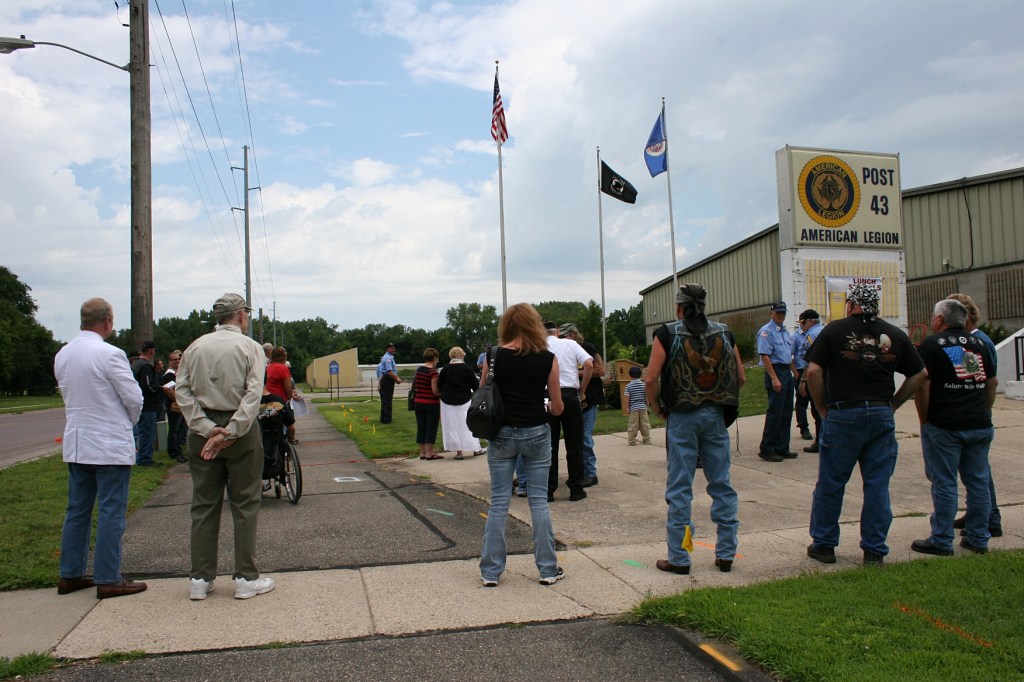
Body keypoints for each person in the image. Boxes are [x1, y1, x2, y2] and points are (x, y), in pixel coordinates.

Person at [804, 284, 927, 566]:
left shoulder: (833, 331)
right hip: (881, 414)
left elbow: (812, 371)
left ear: (850, 304)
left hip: (843, 413)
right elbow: (919, 374)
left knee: (832, 483)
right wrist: (894, 404)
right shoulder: (894, 334)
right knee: (877, 485)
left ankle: (824, 545)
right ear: (876, 305)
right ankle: (874, 549)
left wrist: (822, 407)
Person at [175, 293, 274, 601]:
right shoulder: (250, 347)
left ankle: (200, 578)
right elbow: (253, 392)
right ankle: (246, 577)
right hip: (240, 429)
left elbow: (183, 391)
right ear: (242, 316)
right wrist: (231, 430)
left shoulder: (195, 347)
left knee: (204, 503)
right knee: (245, 502)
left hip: (203, 428)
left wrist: (207, 429)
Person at [645, 283, 745, 575]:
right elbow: (739, 376)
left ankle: (680, 556)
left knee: (680, 488)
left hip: (682, 416)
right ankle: (726, 553)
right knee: (721, 484)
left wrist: (658, 408)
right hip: (715, 414)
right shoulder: (724, 332)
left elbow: (650, 379)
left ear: (679, 307)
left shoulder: (667, 333)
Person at [54, 298, 148, 599]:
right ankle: (108, 577)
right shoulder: (110, 354)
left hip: (78, 441)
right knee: (111, 511)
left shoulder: (63, 354)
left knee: (77, 510)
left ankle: (71, 573)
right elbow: (134, 398)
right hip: (108, 443)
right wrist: (127, 425)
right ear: (107, 321)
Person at [479, 303, 565, 587]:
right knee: (538, 502)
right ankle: (548, 569)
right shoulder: (547, 358)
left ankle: (491, 572)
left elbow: (483, 393)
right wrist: (552, 406)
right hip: (537, 432)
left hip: (502, 433)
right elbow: (557, 407)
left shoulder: (493, 356)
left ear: (506, 326)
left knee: (499, 502)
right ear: (534, 324)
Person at [911, 299, 998, 557]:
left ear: (940, 319)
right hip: (979, 424)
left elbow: (923, 383)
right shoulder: (980, 344)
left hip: (945, 425)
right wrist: (984, 409)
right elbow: (991, 382)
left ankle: (941, 540)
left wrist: (924, 419)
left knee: (945, 483)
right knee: (978, 484)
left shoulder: (932, 344)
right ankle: (979, 538)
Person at [946, 293, 1002, 537]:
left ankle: (990, 518)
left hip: (973, 416)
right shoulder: (973, 341)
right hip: (975, 414)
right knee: (976, 472)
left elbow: (974, 376)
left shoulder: (977, 342)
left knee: (979, 473)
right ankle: (978, 514)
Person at [545, 322, 593, 502]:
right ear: (557, 332)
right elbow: (589, 364)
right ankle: (576, 488)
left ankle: (549, 489)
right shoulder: (571, 344)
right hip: (570, 394)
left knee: (549, 445)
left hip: (548, 396)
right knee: (575, 444)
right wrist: (582, 390)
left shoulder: (540, 346)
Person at [560, 324, 604, 487]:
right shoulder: (563, 350)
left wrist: (577, 372)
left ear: (573, 334)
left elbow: (601, 370)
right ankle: (581, 471)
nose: (563, 339)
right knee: (575, 438)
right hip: (572, 399)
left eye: (565, 336)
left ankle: (590, 473)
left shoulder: (588, 349)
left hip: (589, 398)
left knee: (584, 436)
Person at [756, 302, 795, 462]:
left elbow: (789, 354)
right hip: (776, 371)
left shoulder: (784, 331)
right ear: (771, 313)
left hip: (786, 371)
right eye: (778, 313)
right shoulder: (766, 331)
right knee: (775, 412)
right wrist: (774, 378)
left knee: (786, 412)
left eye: (783, 313)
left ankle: (782, 447)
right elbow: (765, 356)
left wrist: (795, 373)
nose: (781, 316)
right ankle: (767, 448)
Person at [438, 346, 483, 459]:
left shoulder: (445, 369)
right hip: (464, 399)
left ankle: (459, 452)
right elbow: (475, 385)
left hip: (447, 401)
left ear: (450, 356)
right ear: (462, 356)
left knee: (452, 426)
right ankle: (476, 448)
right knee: (467, 424)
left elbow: (439, 385)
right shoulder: (467, 368)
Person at [792, 309, 825, 454]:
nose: (801, 326)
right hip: (827, 376)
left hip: (815, 376)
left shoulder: (812, 335)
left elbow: (809, 359)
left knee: (817, 410)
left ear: (811, 322)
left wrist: (803, 380)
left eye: (803, 323)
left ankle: (819, 442)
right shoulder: (825, 331)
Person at [131, 340, 161, 467]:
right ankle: (144, 459)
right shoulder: (146, 366)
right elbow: (148, 385)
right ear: (151, 350)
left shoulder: (136, 364)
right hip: (148, 404)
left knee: (143, 431)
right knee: (147, 432)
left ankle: (144, 457)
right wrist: (159, 389)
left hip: (139, 402)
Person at [414, 348, 443, 460]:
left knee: (421, 427)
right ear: (435, 358)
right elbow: (434, 390)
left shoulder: (419, 370)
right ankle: (429, 453)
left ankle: (422, 452)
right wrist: (441, 394)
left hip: (418, 402)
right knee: (431, 427)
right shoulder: (433, 372)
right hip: (430, 403)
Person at [160, 350, 188, 463]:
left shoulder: (177, 373)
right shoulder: (169, 375)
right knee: (174, 429)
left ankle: (177, 450)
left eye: (178, 359)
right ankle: (174, 452)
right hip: (173, 404)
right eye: (174, 359)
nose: (177, 361)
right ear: (169, 362)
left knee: (178, 429)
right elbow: (167, 390)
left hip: (178, 403)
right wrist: (178, 400)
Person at [266, 346, 298, 444]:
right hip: (279, 403)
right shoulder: (283, 368)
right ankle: (290, 442)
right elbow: (288, 388)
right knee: (291, 426)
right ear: (283, 357)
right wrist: (290, 396)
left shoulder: (268, 367)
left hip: (267, 402)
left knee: (269, 426)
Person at [624, 366, 651, 446]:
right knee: (644, 423)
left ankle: (632, 441)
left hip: (633, 408)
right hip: (643, 407)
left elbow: (628, 398)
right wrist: (647, 406)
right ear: (640, 375)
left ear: (630, 375)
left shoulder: (628, 386)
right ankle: (647, 439)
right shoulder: (643, 385)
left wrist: (628, 407)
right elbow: (646, 396)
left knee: (633, 424)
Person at [377, 343, 401, 424]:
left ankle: (384, 418)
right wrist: (397, 379)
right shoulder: (388, 358)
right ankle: (387, 419)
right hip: (388, 379)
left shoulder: (389, 357)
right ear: (387, 349)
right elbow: (389, 371)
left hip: (386, 378)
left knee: (385, 400)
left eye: (394, 347)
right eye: (391, 348)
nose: (393, 349)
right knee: (387, 400)